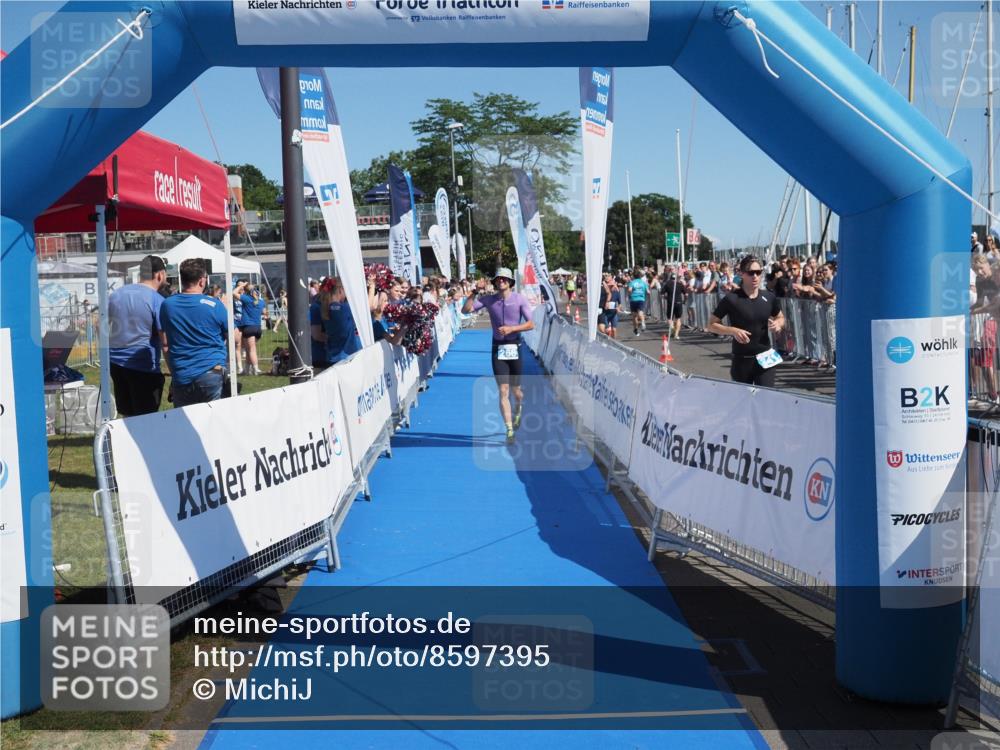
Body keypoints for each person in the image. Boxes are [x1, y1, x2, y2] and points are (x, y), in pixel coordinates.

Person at [463, 267, 534, 445]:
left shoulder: (519, 299)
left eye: (504, 278)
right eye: (498, 279)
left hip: (514, 346)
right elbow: (466, 310)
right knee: (503, 390)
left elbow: (531, 324)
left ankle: (519, 407)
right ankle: (509, 429)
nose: (501, 281)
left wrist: (512, 328)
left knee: (516, 391)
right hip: (498, 348)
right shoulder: (488, 299)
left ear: (510, 282)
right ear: (495, 282)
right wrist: (474, 292)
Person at [708, 255, 786, 387]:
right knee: (743, 398)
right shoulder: (732, 299)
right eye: (751, 273)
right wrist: (732, 331)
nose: (755, 276)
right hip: (742, 360)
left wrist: (778, 324)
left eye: (758, 272)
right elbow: (711, 325)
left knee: (766, 396)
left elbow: (781, 317)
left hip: (765, 358)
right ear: (742, 274)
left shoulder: (769, 297)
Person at [160, 259, 229, 406]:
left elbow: (165, 344)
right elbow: (234, 337)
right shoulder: (215, 305)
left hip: (181, 374)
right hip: (211, 372)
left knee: (184, 419)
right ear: (202, 281)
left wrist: (174, 371)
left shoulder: (167, 305)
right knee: (215, 418)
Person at [108, 254, 167, 416]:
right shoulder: (157, 300)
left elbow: (100, 324)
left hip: (116, 363)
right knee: (147, 417)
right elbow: (165, 341)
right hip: (143, 366)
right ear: (160, 275)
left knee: (127, 414)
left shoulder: (116, 294)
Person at [240, 283, 267, 375]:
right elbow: (264, 312)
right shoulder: (261, 301)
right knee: (249, 350)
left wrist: (241, 285)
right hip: (258, 328)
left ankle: (256, 369)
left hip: (249, 327)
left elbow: (233, 293)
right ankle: (247, 370)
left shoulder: (247, 299)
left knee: (251, 349)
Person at [626, 269, 650, 336]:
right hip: (641, 299)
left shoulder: (632, 282)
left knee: (634, 316)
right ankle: (643, 322)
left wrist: (629, 295)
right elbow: (648, 292)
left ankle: (635, 328)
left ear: (634, 276)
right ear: (640, 276)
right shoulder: (643, 283)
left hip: (633, 299)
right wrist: (646, 294)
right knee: (640, 312)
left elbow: (629, 290)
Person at [598, 274, 621, 338]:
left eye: (612, 285)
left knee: (614, 330)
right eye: (609, 285)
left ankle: (614, 341)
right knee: (606, 330)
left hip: (613, 314)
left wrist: (618, 308)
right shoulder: (604, 292)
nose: (611, 287)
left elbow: (620, 303)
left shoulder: (616, 293)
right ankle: (608, 340)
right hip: (605, 313)